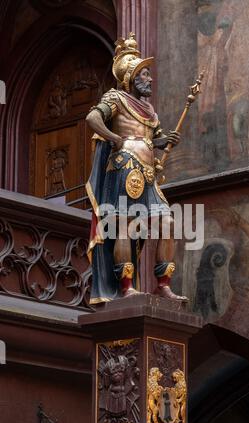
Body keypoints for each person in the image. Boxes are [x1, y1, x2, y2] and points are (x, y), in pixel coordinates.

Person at [85, 33, 187, 304]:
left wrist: (166, 140)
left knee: (167, 221)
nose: (149, 79)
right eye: (142, 75)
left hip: (148, 170)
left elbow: (153, 139)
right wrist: (115, 138)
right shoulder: (116, 98)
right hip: (124, 168)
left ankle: (162, 284)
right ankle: (126, 286)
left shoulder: (149, 109)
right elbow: (92, 118)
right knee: (124, 225)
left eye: (148, 74)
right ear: (129, 78)